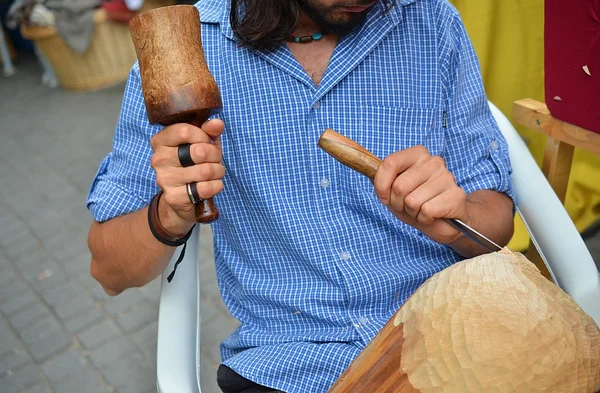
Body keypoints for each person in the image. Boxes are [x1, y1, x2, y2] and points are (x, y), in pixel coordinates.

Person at [86, 0, 516, 391]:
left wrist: (459, 219)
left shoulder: (431, 23)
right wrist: (169, 213)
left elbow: (497, 228)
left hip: (451, 332)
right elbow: (110, 269)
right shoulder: (189, 50)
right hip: (291, 366)